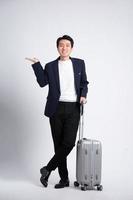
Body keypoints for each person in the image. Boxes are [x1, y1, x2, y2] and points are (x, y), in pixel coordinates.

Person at [25, 35, 89, 189]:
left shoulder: (79, 64)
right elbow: (42, 83)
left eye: (67, 45)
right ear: (57, 47)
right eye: (61, 45)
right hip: (55, 108)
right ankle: (64, 179)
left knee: (68, 144)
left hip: (73, 108)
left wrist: (83, 95)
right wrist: (37, 65)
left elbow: (84, 83)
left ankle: (47, 169)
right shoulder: (50, 66)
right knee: (59, 145)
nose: (64, 48)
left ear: (71, 48)